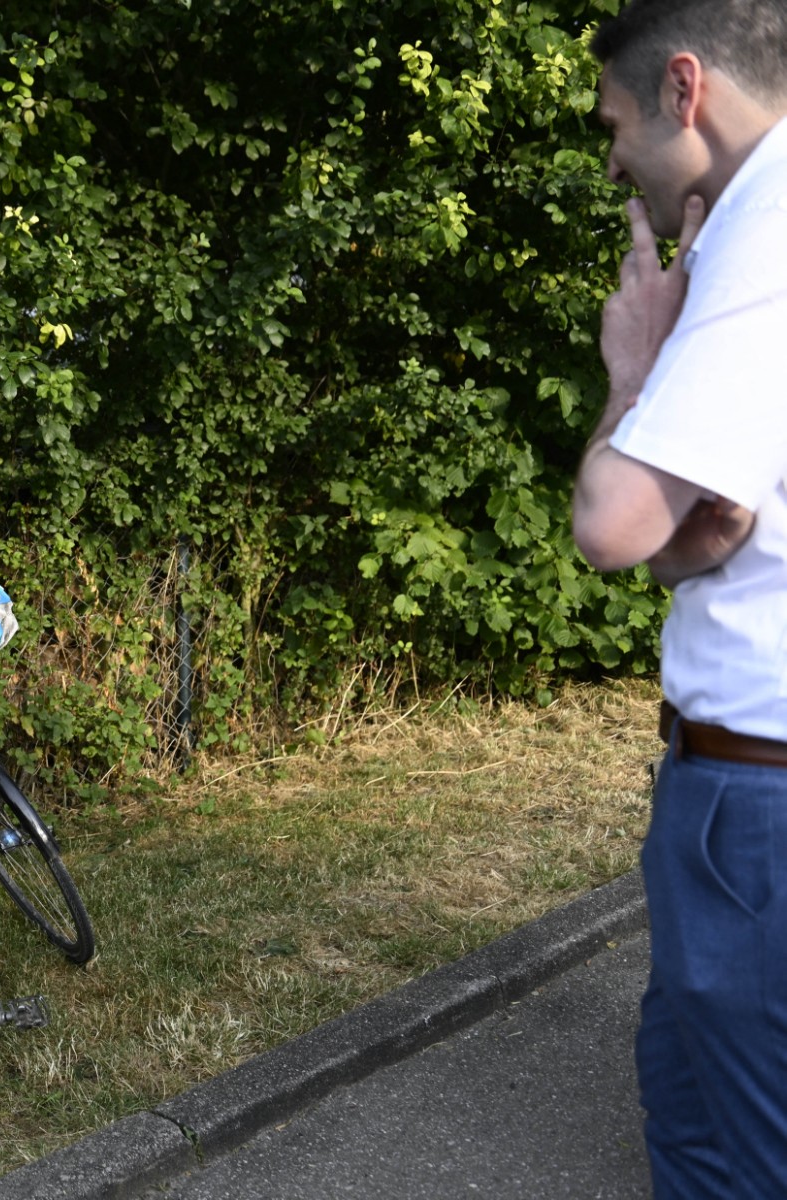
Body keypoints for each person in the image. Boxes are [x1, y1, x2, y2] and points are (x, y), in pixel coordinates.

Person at [573, 1, 787, 1195]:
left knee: (742, 1160)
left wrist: (631, 376)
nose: (611, 160)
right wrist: (672, 535)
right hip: (733, 793)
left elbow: (613, 528)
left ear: (681, 90)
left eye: (614, 123)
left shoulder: (764, 229)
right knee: (690, 1113)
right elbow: (686, 542)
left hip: (757, 802)